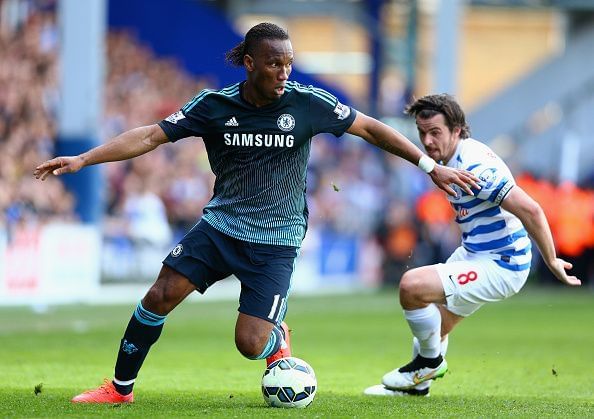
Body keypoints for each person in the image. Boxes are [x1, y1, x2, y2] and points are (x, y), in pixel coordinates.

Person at [34, 23, 478, 404]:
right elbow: (152, 135)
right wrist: (83, 160)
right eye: (273, 64)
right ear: (249, 63)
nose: (284, 73)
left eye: (288, 63)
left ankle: (275, 339)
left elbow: (369, 128)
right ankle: (120, 388)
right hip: (221, 227)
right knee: (160, 294)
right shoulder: (215, 105)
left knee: (250, 344)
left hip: (277, 239)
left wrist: (429, 166)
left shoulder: (307, 102)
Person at [363, 93, 582, 398]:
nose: (427, 141)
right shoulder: (452, 159)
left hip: (502, 263)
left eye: (435, 132)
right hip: (476, 253)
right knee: (435, 325)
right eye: (422, 133)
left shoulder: (474, 167)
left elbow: (530, 209)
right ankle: (418, 386)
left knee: (411, 287)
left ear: (456, 131)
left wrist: (552, 259)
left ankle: (428, 363)